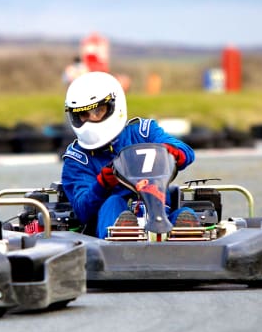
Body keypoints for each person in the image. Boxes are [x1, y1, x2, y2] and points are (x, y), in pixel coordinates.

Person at [60, 70, 198, 236]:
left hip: (159, 210)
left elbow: (187, 152)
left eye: (97, 111)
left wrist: (169, 151)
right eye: (83, 114)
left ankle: (186, 236)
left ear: (114, 106)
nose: (91, 119)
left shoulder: (143, 132)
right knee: (114, 202)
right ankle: (123, 233)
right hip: (106, 227)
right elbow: (82, 210)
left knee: (186, 214)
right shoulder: (77, 159)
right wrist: (102, 184)